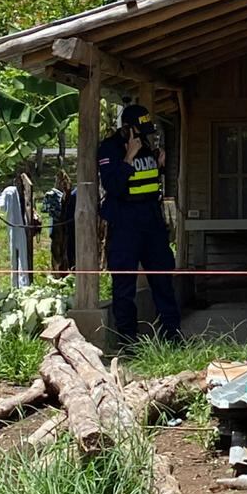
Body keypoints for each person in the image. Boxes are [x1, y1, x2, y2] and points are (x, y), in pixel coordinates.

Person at [97, 103, 181, 346]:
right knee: (124, 285)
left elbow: (149, 184)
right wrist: (128, 157)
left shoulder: (147, 146)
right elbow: (113, 186)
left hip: (151, 221)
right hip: (125, 224)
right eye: (139, 131)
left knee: (162, 278)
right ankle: (128, 340)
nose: (143, 136)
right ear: (126, 129)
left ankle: (172, 335)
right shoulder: (109, 149)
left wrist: (160, 165)